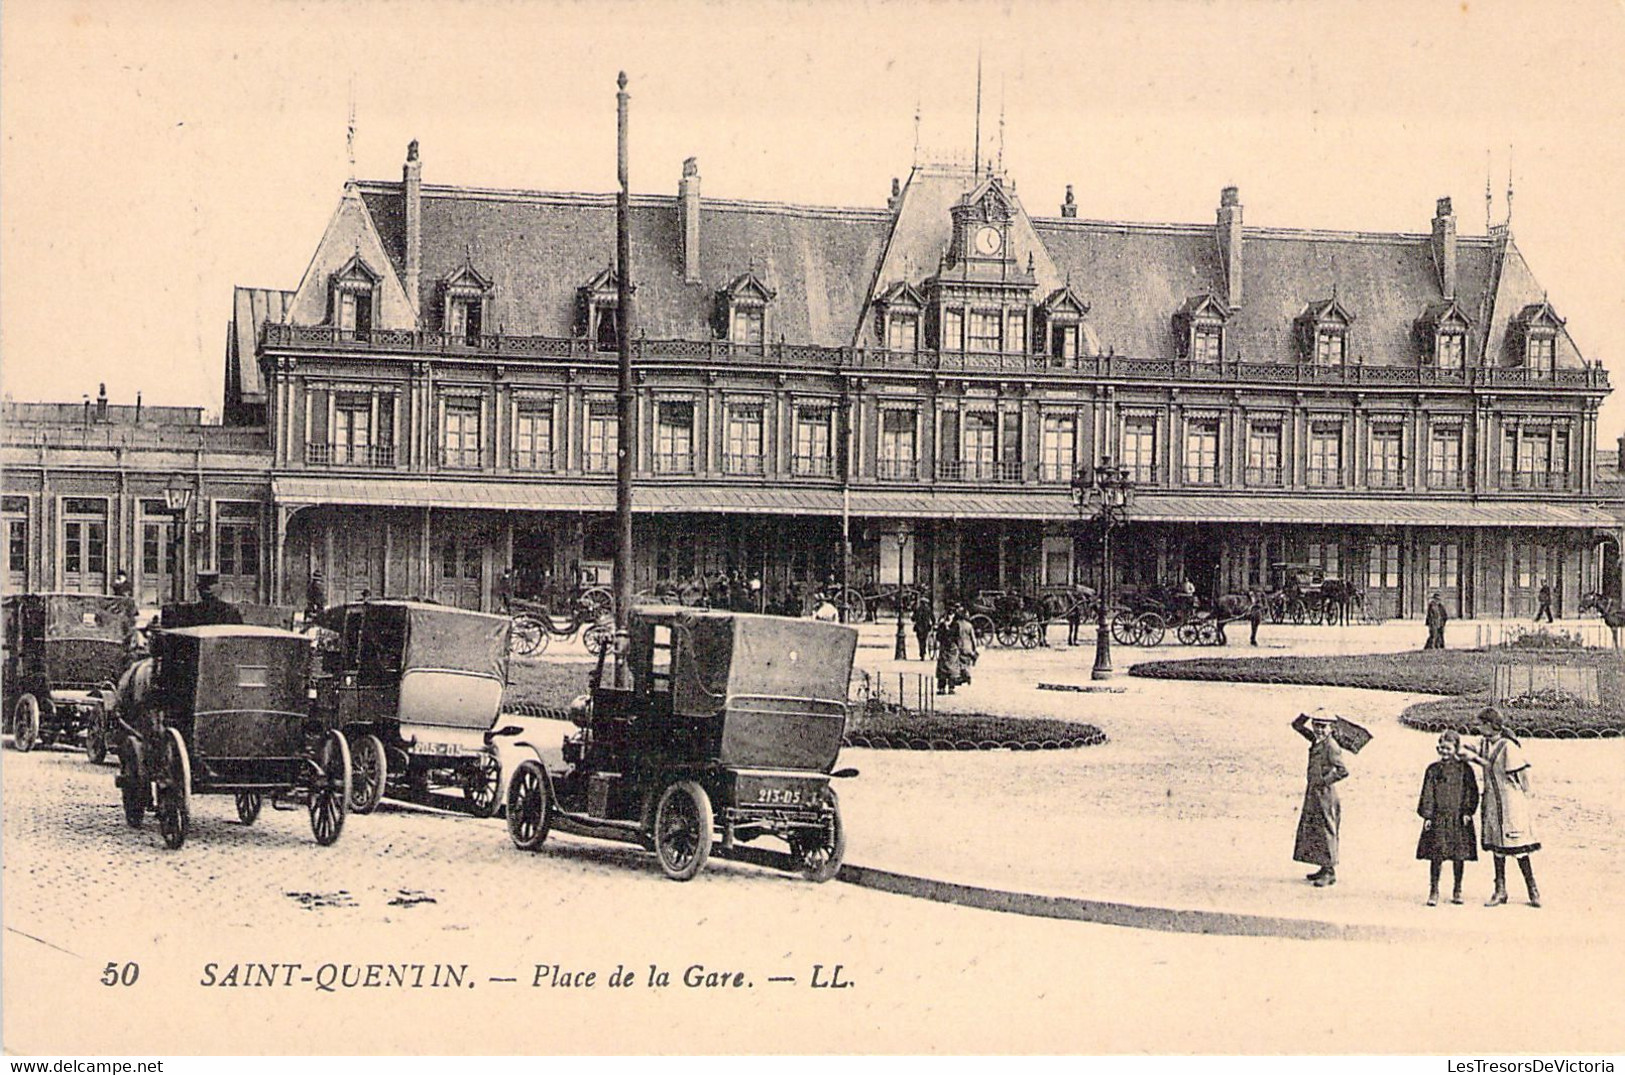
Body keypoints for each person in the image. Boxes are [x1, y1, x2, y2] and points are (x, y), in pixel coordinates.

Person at [1461, 706, 1542, 907]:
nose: (1478, 728)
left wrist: (1525, 798)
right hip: (1492, 802)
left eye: (1480, 724)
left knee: (1517, 847)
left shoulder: (1508, 747)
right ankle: (1500, 890)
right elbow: (1471, 748)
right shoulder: (1486, 743)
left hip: (1510, 802)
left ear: (1490, 725)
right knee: (1497, 846)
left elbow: (1523, 777)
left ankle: (1532, 889)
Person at [1416, 730, 1479, 906]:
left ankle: (1457, 889)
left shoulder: (1465, 769)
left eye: (1448, 749)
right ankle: (1434, 890)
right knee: (1436, 854)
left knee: (1459, 855)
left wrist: (1468, 811)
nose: (1444, 752)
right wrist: (1427, 815)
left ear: (1456, 749)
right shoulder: (1433, 769)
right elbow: (1427, 792)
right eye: (1441, 748)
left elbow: (1471, 792)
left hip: (1458, 818)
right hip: (1438, 818)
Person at [1291, 708, 1348, 887]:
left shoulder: (1331, 746)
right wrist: (1307, 713)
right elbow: (1297, 725)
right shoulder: (1318, 740)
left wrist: (1324, 781)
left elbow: (1343, 771)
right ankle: (1323, 868)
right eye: (1316, 725)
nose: (1318, 729)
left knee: (1326, 830)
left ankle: (1330, 871)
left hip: (1325, 794)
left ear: (1331, 727)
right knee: (1315, 829)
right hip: (1315, 793)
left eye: (1323, 726)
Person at [934, 604, 978, 695]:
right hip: (951, 648)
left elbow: (939, 636)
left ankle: (943, 688)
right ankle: (950, 687)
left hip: (946, 647)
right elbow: (957, 636)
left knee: (945, 668)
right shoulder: (955, 624)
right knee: (952, 668)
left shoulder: (946, 624)